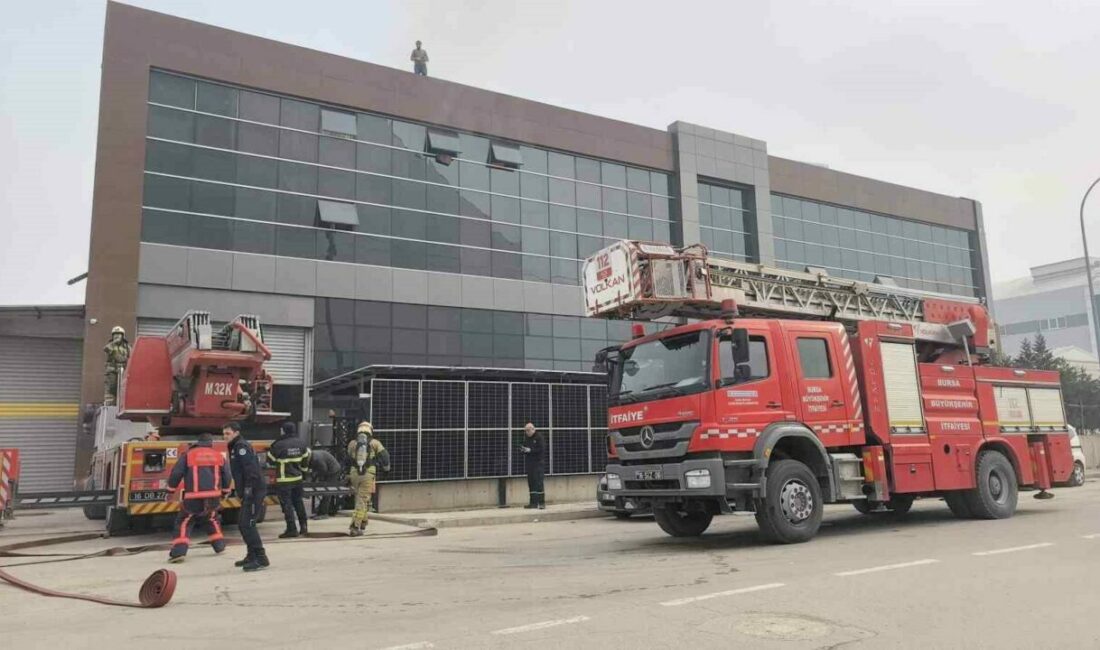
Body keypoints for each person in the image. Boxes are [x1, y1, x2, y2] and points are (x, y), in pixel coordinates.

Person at [166, 433, 230, 563]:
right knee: (212, 518)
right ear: (211, 444)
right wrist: (225, 491)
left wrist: (170, 490)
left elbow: (176, 473)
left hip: (193, 497)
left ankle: (179, 552)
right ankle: (219, 546)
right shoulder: (219, 456)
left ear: (198, 443)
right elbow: (227, 475)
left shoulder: (188, 455)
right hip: (213, 496)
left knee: (185, 521)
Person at [222, 422, 269, 572]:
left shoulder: (241, 447)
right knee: (242, 524)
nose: (225, 437)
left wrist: (248, 490)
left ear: (236, 433)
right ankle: (251, 555)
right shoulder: (235, 447)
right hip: (249, 491)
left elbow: (251, 470)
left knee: (248, 524)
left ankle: (261, 558)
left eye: (228, 433)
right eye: (224, 434)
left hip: (254, 491)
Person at [267, 421, 311, 538]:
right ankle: (304, 527)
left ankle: (291, 529)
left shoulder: (278, 445)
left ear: (283, 430)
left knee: (287, 505)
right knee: (298, 502)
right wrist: (304, 473)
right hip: (298, 479)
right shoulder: (301, 443)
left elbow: (270, 461)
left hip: (284, 480)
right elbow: (305, 461)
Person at [346, 422, 390, 536]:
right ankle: (355, 526)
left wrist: (347, 475)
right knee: (362, 500)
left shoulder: (352, 444)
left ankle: (364, 522)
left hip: (354, 474)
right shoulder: (375, 443)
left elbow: (347, 459)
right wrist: (386, 470)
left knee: (361, 498)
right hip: (368, 474)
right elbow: (385, 456)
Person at [306, 447, 342, 519]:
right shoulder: (313, 456)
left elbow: (323, 470)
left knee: (327, 492)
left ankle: (324, 513)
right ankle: (322, 511)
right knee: (325, 492)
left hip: (333, 471)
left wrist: (315, 477)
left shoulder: (316, 459)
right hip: (329, 470)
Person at [103, 326, 131, 406]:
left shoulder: (127, 347)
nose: (117, 336)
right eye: (115, 334)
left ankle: (122, 404)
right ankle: (109, 403)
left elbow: (131, 357)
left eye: (119, 334)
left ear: (123, 336)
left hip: (123, 370)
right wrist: (113, 344)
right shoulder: (110, 345)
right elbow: (106, 349)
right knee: (111, 387)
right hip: (112, 370)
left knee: (123, 388)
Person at [520, 422, 545, 509]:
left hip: (538, 463)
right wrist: (523, 450)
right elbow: (524, 447)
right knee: (531, 483)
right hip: (530, 464)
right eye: (526, 431)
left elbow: (541, 449)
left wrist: (530, 450)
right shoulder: (527, 438)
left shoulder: (539, 437)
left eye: (528, 430)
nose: (527, 432)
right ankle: (533, 503)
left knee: (539, 483)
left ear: (533, 429)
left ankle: (541, 503)